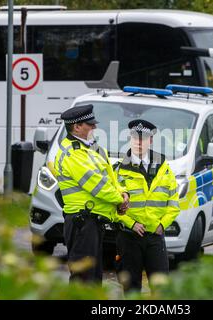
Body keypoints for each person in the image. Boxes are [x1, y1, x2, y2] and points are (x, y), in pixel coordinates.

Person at [54, 104, 129, 283]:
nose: (94, 127)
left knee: (93, 277)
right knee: (84, 278)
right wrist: (120, 201)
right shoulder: (73, 153)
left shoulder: (93, 148)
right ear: (77, 127)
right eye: (90, 124)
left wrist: (124, 193)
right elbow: (97, 184)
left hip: (92, 222)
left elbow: (109, 177)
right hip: (82, 222)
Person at [114, 119, 180, 292]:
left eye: (143, 138)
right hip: (129, 237)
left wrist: (162, 224)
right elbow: (111, 207)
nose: (139, 142)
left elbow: (173, 203)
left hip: (155, 237)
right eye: (135, 138)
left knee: (160, 289)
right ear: (130, 139)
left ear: (150, 140)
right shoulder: (119, 169)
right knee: (131, 288)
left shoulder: (164, 168)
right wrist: (132, 224)